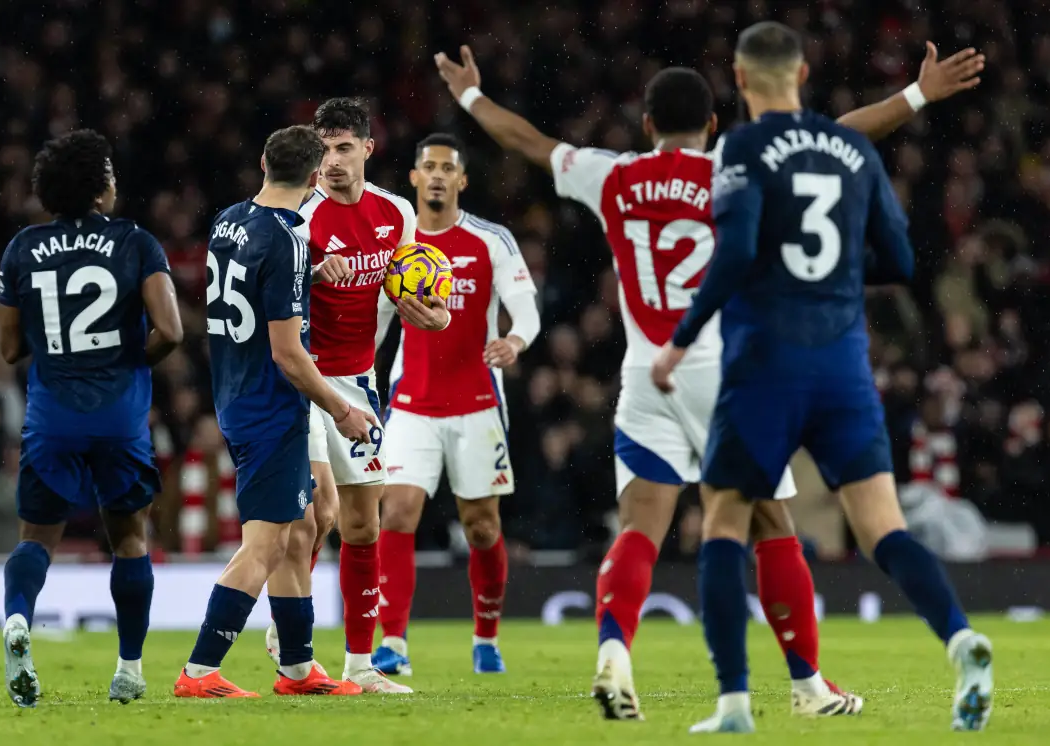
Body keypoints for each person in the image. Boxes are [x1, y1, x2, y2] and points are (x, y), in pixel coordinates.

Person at [434, 38, 983, 721]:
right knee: (770, 524)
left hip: (646, 372)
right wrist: (919, 94)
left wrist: (468, 94)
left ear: (645, 126)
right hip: (729, 370)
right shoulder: (733, 162)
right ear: (713, 125)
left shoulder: (612, 176)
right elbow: (834, 137)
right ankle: (807, 684)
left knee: (639, 527)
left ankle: (614, 651)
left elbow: (528, 140)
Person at [650, 22, 993, 734]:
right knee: (884, 530)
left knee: (722, 524)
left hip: (765, 368)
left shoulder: (741, 147)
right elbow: (899, 261)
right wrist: (837, 277)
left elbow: (739, 250)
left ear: (740, 82)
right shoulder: (853, 151)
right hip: (844, 371)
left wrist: (681, 341)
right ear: (803, 74)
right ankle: (960, 639)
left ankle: (735, 704)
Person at [174, 126, 374, 699]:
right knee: (263, 542)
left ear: (262, 162)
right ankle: (199, 670)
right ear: (315, 177)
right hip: (269, 406)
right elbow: (288, 353)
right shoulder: (288, 238)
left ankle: (297, 667)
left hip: (234, 391)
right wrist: (341, 410)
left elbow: (246, 288)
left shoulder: (230, 219)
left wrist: (306, 276)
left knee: (299, 531)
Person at [262, 98, 447, 694]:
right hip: (305, 378)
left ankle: (362, 668)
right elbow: (267, 285)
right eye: (324, 150)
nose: (332, 162)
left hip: (359, 380)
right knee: (319, 509)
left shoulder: (397, 213)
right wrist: (311, 275)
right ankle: (292, 629)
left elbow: (410, 286)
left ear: (368, 148)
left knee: (364, 526)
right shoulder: (299, 215)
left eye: (344, 148)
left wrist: (434, 315)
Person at [0, 129, 185, 707]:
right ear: (102, 187)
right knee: (129, 538)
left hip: (53, 417)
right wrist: (129, 361)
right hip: (120, 417)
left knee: (37, 540)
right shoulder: (136, 242)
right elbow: (172, 331)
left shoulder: (22, 247)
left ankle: (19, 619)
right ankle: (128, 670)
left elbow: (8, 349)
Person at [370, 133, 541, 677]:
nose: (439, 175)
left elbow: (527, 312)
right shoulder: (395, 242)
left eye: (449, 167)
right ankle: (392, 641)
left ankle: (486, 638)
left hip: (476, 403)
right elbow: (375, 322)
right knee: (396, 511)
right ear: (415, 178)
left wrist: (514, 342)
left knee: (483, 527)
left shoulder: (491, 240)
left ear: (462, 180)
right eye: (429, 167)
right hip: (412, 402)